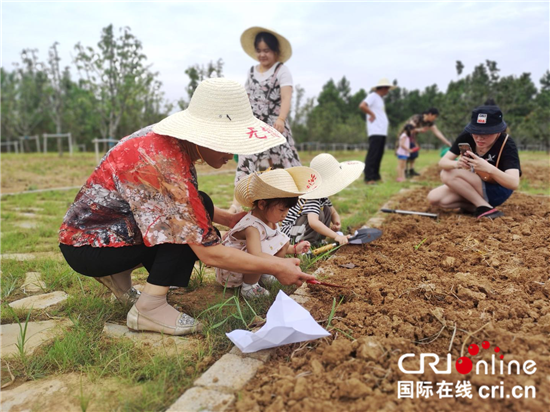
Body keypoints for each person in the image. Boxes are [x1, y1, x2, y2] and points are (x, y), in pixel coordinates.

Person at [58, 78, 315, 336]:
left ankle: (118, 278)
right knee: (183, 230)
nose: (232, 155)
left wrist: (229, 219)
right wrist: (277, 266)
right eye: (228, 142)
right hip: (89, 247)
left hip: (90, 238)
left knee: (200, 203)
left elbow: (186, 203)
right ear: (206, 133)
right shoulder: (165, 163)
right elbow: (209, 253)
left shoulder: (167, 143)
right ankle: (150, 308)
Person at [230, 27, 301, 212]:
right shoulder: (252, 71)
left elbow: (286, 97)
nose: (262, 54)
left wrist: (281, 119)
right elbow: (246, 96)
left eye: (266, 50)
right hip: (254, 125)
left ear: (275, 52)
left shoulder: (282, 70)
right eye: (259, 50)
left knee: (284, 163)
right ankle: (237, 203)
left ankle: (296, 204)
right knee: (246, 160)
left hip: (275, 124)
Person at [216, 167, 317, 298]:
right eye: (281, 210)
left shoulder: (271, 219)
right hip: (233, 270)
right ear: (262, 204)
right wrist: (280, 265)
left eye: (287, 210)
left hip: (250, 262)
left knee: (282, 240)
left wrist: (294, 248)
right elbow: (256, 256)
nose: (285, 214)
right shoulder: (252, 227)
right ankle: (249, 287)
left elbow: (277, 244)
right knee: (261, 251)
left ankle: (266, 275)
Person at [427, 105, 521, 219]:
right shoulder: (467, 136)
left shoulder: (506, 144)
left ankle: (484, 206)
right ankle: (479, 207)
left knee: (447, 173)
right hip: (474, 184)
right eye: (475, 131)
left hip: (497, 189)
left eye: (486, 133)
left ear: (498, 131)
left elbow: (513, 183)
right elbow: (443, 162)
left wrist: (488, 168)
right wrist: (457, 164)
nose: (479, 138)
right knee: (435, 198)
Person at [282, 153, 364, 246]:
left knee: (326, 209)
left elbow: (333, 212)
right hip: (292, 234)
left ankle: (318, 240)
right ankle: (306, 243)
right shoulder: (311, 199)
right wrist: (336, 236)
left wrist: (336, 222)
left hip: (300, 228)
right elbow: (313, 223)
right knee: (318, 214)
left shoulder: (322, 197)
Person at [359, 78, 395, 184]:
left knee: (379, 154)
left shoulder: (380, 99)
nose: (388, 91)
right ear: (383, 88)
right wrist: (372, 114)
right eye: (387, 89)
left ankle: (375, 175)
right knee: (373, 154)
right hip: (375, 130)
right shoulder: (373, 96)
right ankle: (369, 177)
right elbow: (362, 105)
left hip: (382, 131)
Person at [404, 108, 452, 177]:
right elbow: (409, 128)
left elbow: (437, 132)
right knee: (407, 154)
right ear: (430, 114)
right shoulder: (417, 118)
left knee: (414, 154)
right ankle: (405, 171)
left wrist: (446, 142)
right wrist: (420, 130)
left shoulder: (429, 123)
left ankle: (411, 170)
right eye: (434, 116)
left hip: (413, 138)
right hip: (406, 137)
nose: (434, 119)